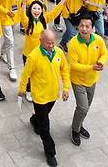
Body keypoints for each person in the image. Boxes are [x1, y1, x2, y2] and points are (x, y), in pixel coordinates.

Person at [18, 29, 70, 167]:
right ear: (40, 41)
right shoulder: (33, 56)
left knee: (42, 117)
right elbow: (25, 74)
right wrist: (22, 90)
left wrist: (66, 88)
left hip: (53, 95)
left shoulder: (58, 52)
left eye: (53, 43)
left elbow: (65, 69)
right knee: (45, 127)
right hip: (39, 97)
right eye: (48, 43)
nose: (51, 45)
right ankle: (50, 151)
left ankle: (34, 120)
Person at [67, 13, 108, 146]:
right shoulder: (73, 43)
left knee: (86, 106)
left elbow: (104, 54)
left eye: (87, 26)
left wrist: (101, 62)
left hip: (92, 80)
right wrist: (91, 67)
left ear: (92, 28)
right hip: (78, 80)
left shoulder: (98, 40)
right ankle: (75, 130)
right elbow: (73, 65)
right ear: (78, 27)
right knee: (83, 107)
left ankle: (79, 125)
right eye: (82, 26)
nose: (84, 29)